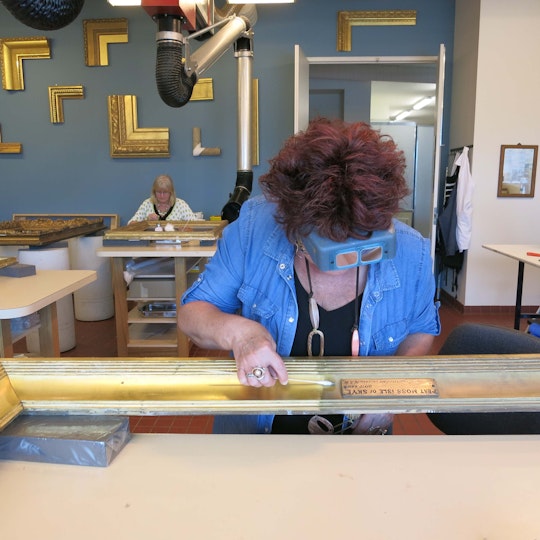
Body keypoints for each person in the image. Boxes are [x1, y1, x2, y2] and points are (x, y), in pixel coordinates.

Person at [178, 118, 441, 435]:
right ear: (290, 222)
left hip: (361, 444)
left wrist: (388, 394)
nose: (340, 267)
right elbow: (193, 314)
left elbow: (420, 330)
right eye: (320, 249)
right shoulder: (254, 228)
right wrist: (240, 334)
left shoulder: (411, 253)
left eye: (362, 250)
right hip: (257, 439)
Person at [128, 174, 198, 223]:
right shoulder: (147, 204)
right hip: (150, 243)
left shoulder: (181, 205)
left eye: (165, 192)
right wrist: (146, 221)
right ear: (154, 192)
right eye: (158, 192)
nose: (162, 195)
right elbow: (130, 225)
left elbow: (196, 226)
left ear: (171, 192)